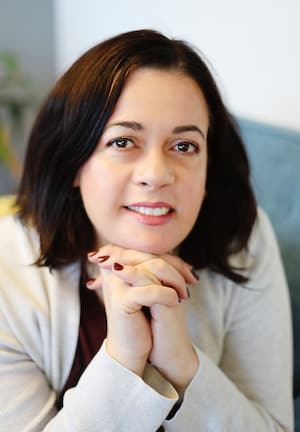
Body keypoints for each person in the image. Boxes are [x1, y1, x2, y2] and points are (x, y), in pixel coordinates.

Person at [0, 29, 293, 431]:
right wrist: (125, 358)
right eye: (123, 142)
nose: (156, 175)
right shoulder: (6, 272)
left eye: (185, 146)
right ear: (73, 161)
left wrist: (180, 361)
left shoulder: (243, 234)